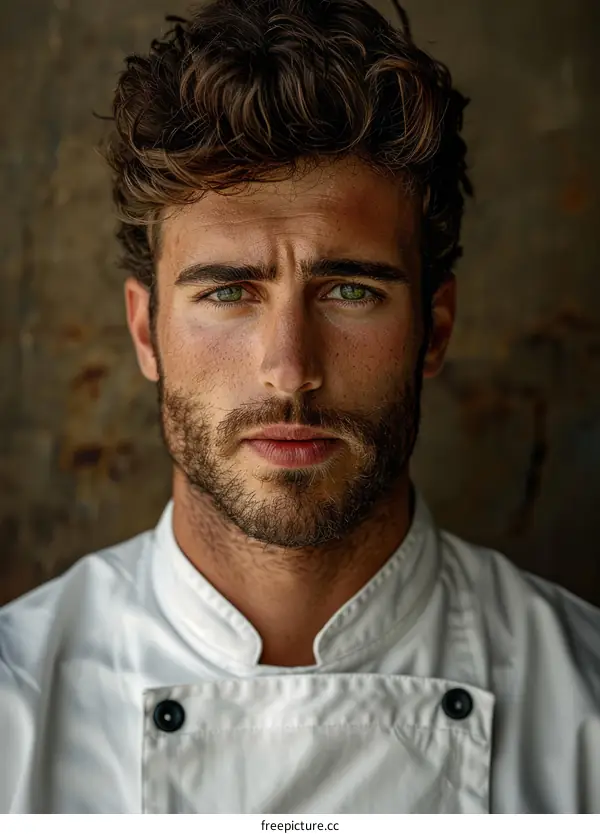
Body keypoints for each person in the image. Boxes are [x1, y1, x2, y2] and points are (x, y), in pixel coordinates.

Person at [0, 0, 598, 815]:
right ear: (146, 333)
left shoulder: (584, 709)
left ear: (434, 329)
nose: (289, 371)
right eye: (228, 292)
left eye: (351, 290)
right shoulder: (16, 707)